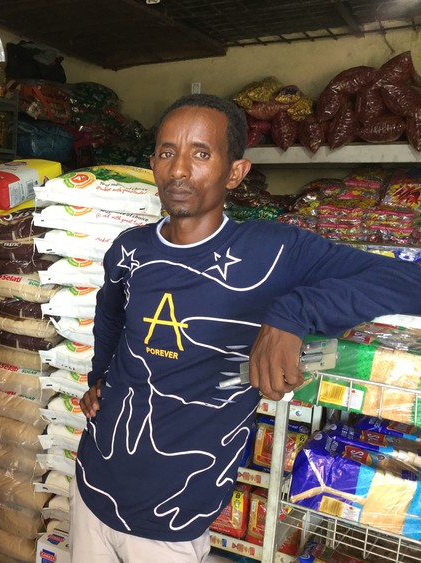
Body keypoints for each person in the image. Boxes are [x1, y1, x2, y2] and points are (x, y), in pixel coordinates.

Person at [72, 93, 421, 562]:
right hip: (94, 479)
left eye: (200, 153)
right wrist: (100, 376)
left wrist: (294, 313)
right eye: (167, 152)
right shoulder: (131, 248)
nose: (178, 170)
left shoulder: (275, 251)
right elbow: (111, 313)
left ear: (235, 171)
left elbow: (409, 281)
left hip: (173, 513)